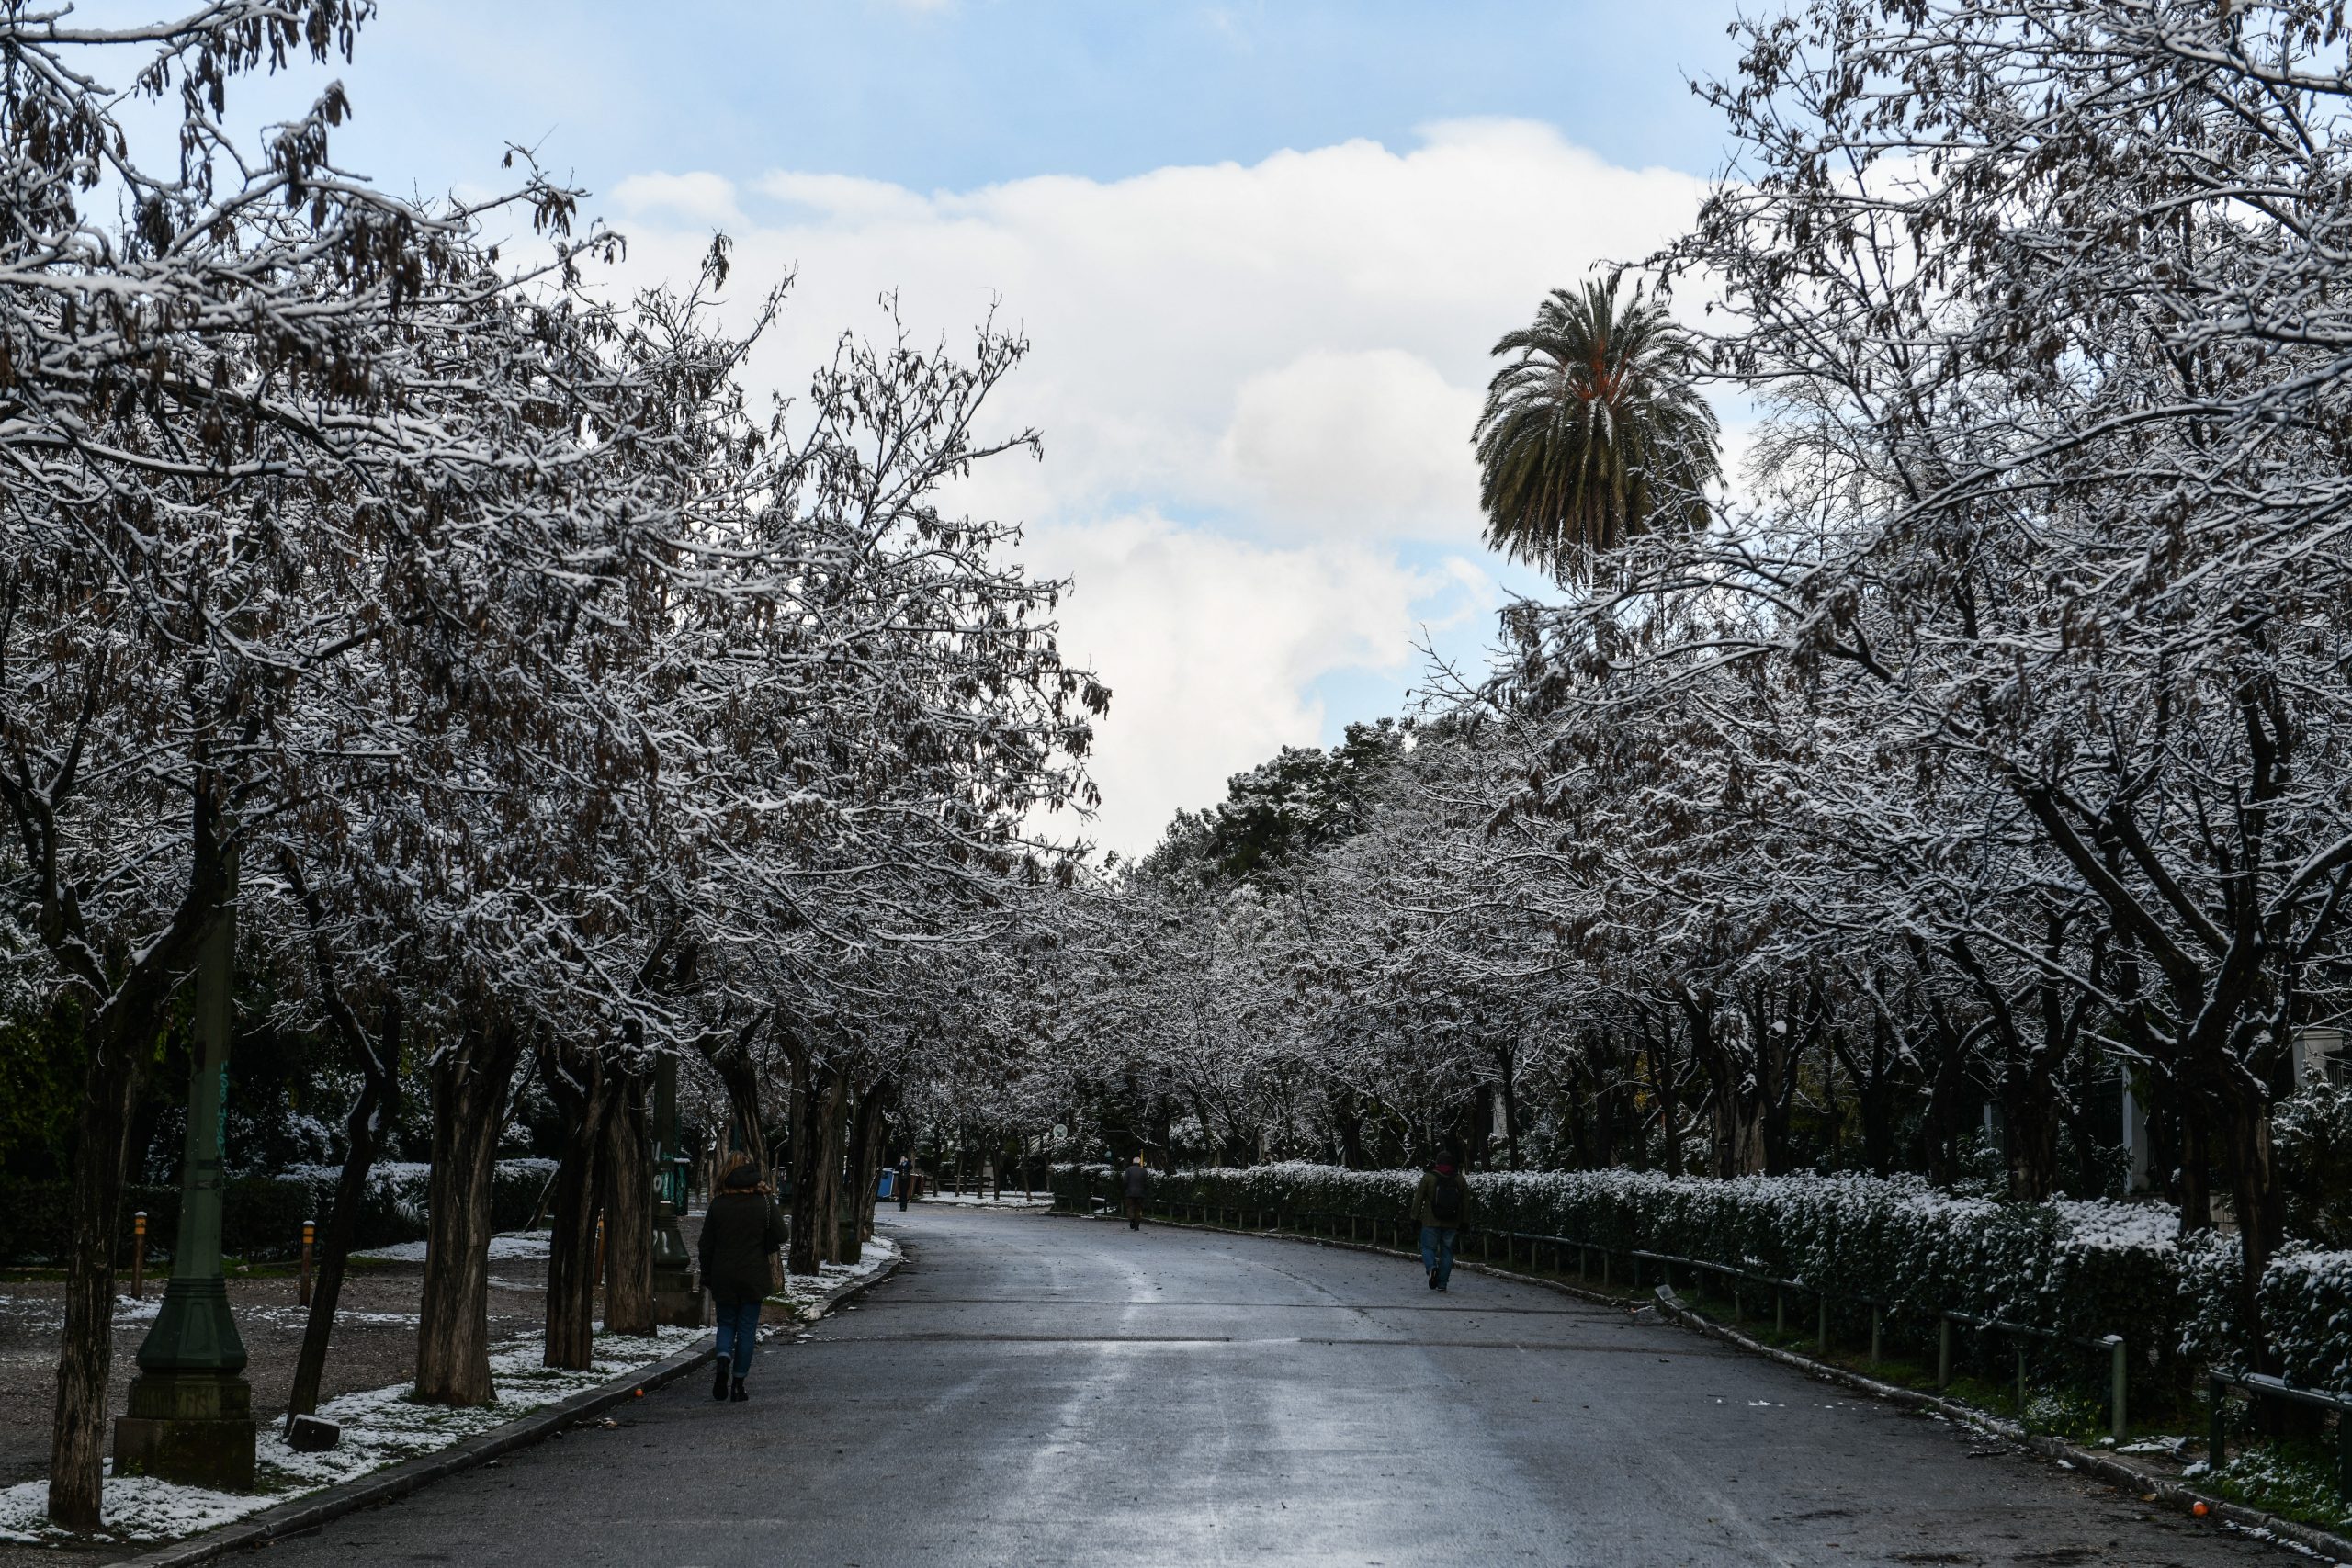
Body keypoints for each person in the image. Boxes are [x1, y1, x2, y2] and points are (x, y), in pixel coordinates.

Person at [697, 1156, 788, 1403]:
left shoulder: (718, 1205)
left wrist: (707, 1274)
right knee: (747, 1328)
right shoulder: (764, 1202)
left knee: (726, 1324)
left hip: (723, 1275)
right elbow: (782, 1234)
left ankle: (722, 1362)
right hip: (753, 1275)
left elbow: (705, 1245)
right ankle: (738, 1386)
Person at [1412, 1146, 1476, 1292]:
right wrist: (1465, 1221)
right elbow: (1466, 1202)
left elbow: (1418, 1199)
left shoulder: (1428, 1177)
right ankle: (1442, 1283)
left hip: (1430, 1221)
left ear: (1437, 1162)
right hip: (1452, 1222)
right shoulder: (1459, 1179)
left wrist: (1414, 1218)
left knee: (1427, 1248)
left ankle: (1432, 1268)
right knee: (1447, 1251)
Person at [1122, 1154, 1148, 1230]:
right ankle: (1137, 1226)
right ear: (1140, 1162)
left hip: (1130, 1193)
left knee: (1130, 1208)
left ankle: (1132, 1219)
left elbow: (1125, 1181)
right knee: (1138, 1209)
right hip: (1141, 1194)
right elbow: (1147, 1182)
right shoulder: (1144, 1170)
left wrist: (1125, 1189)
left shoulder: (1129, 1170)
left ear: (1133, 1162)